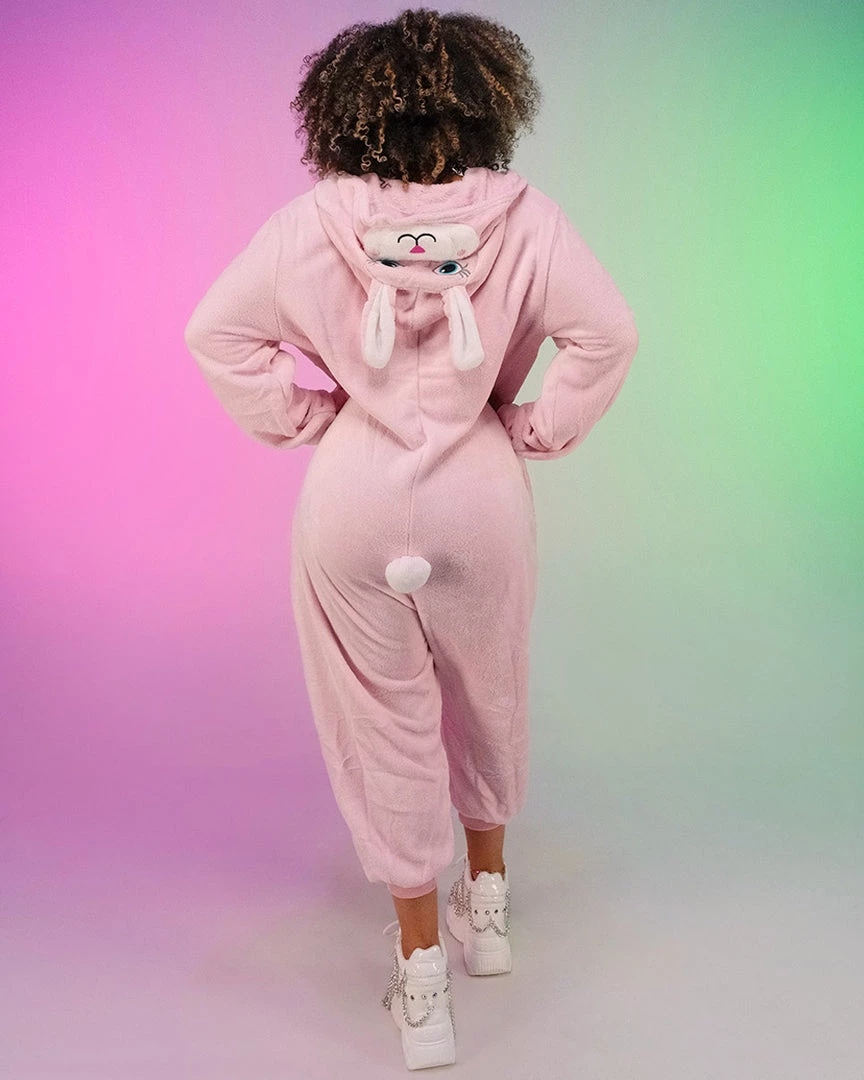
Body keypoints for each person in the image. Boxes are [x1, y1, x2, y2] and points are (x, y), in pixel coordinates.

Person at [184, 7, 639, 1070]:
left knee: (380, 723)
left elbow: (216, 333)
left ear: (344, 113)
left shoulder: (309, 226)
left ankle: (422, 981)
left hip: (353, 499)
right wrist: (536, 427)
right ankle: (489, 910)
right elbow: (608, 334)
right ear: (488, 107)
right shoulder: (527, 220)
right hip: (479, 492)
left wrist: (310, 417)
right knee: (490, 693)